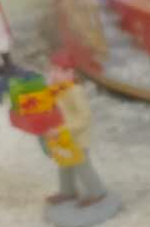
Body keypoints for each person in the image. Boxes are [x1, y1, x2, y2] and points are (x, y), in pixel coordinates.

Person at [45, 52, 110, 208]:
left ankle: (98, 192)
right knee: (64, 164)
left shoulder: (76, 91)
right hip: (63, 137)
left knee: (83, 167)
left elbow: (84, 119)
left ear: (70, 73)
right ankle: (67, 191)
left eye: (58, 71)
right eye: (52, 70)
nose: (53, 74)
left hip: (78, 138)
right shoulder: (57, 89)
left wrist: (62, 129)